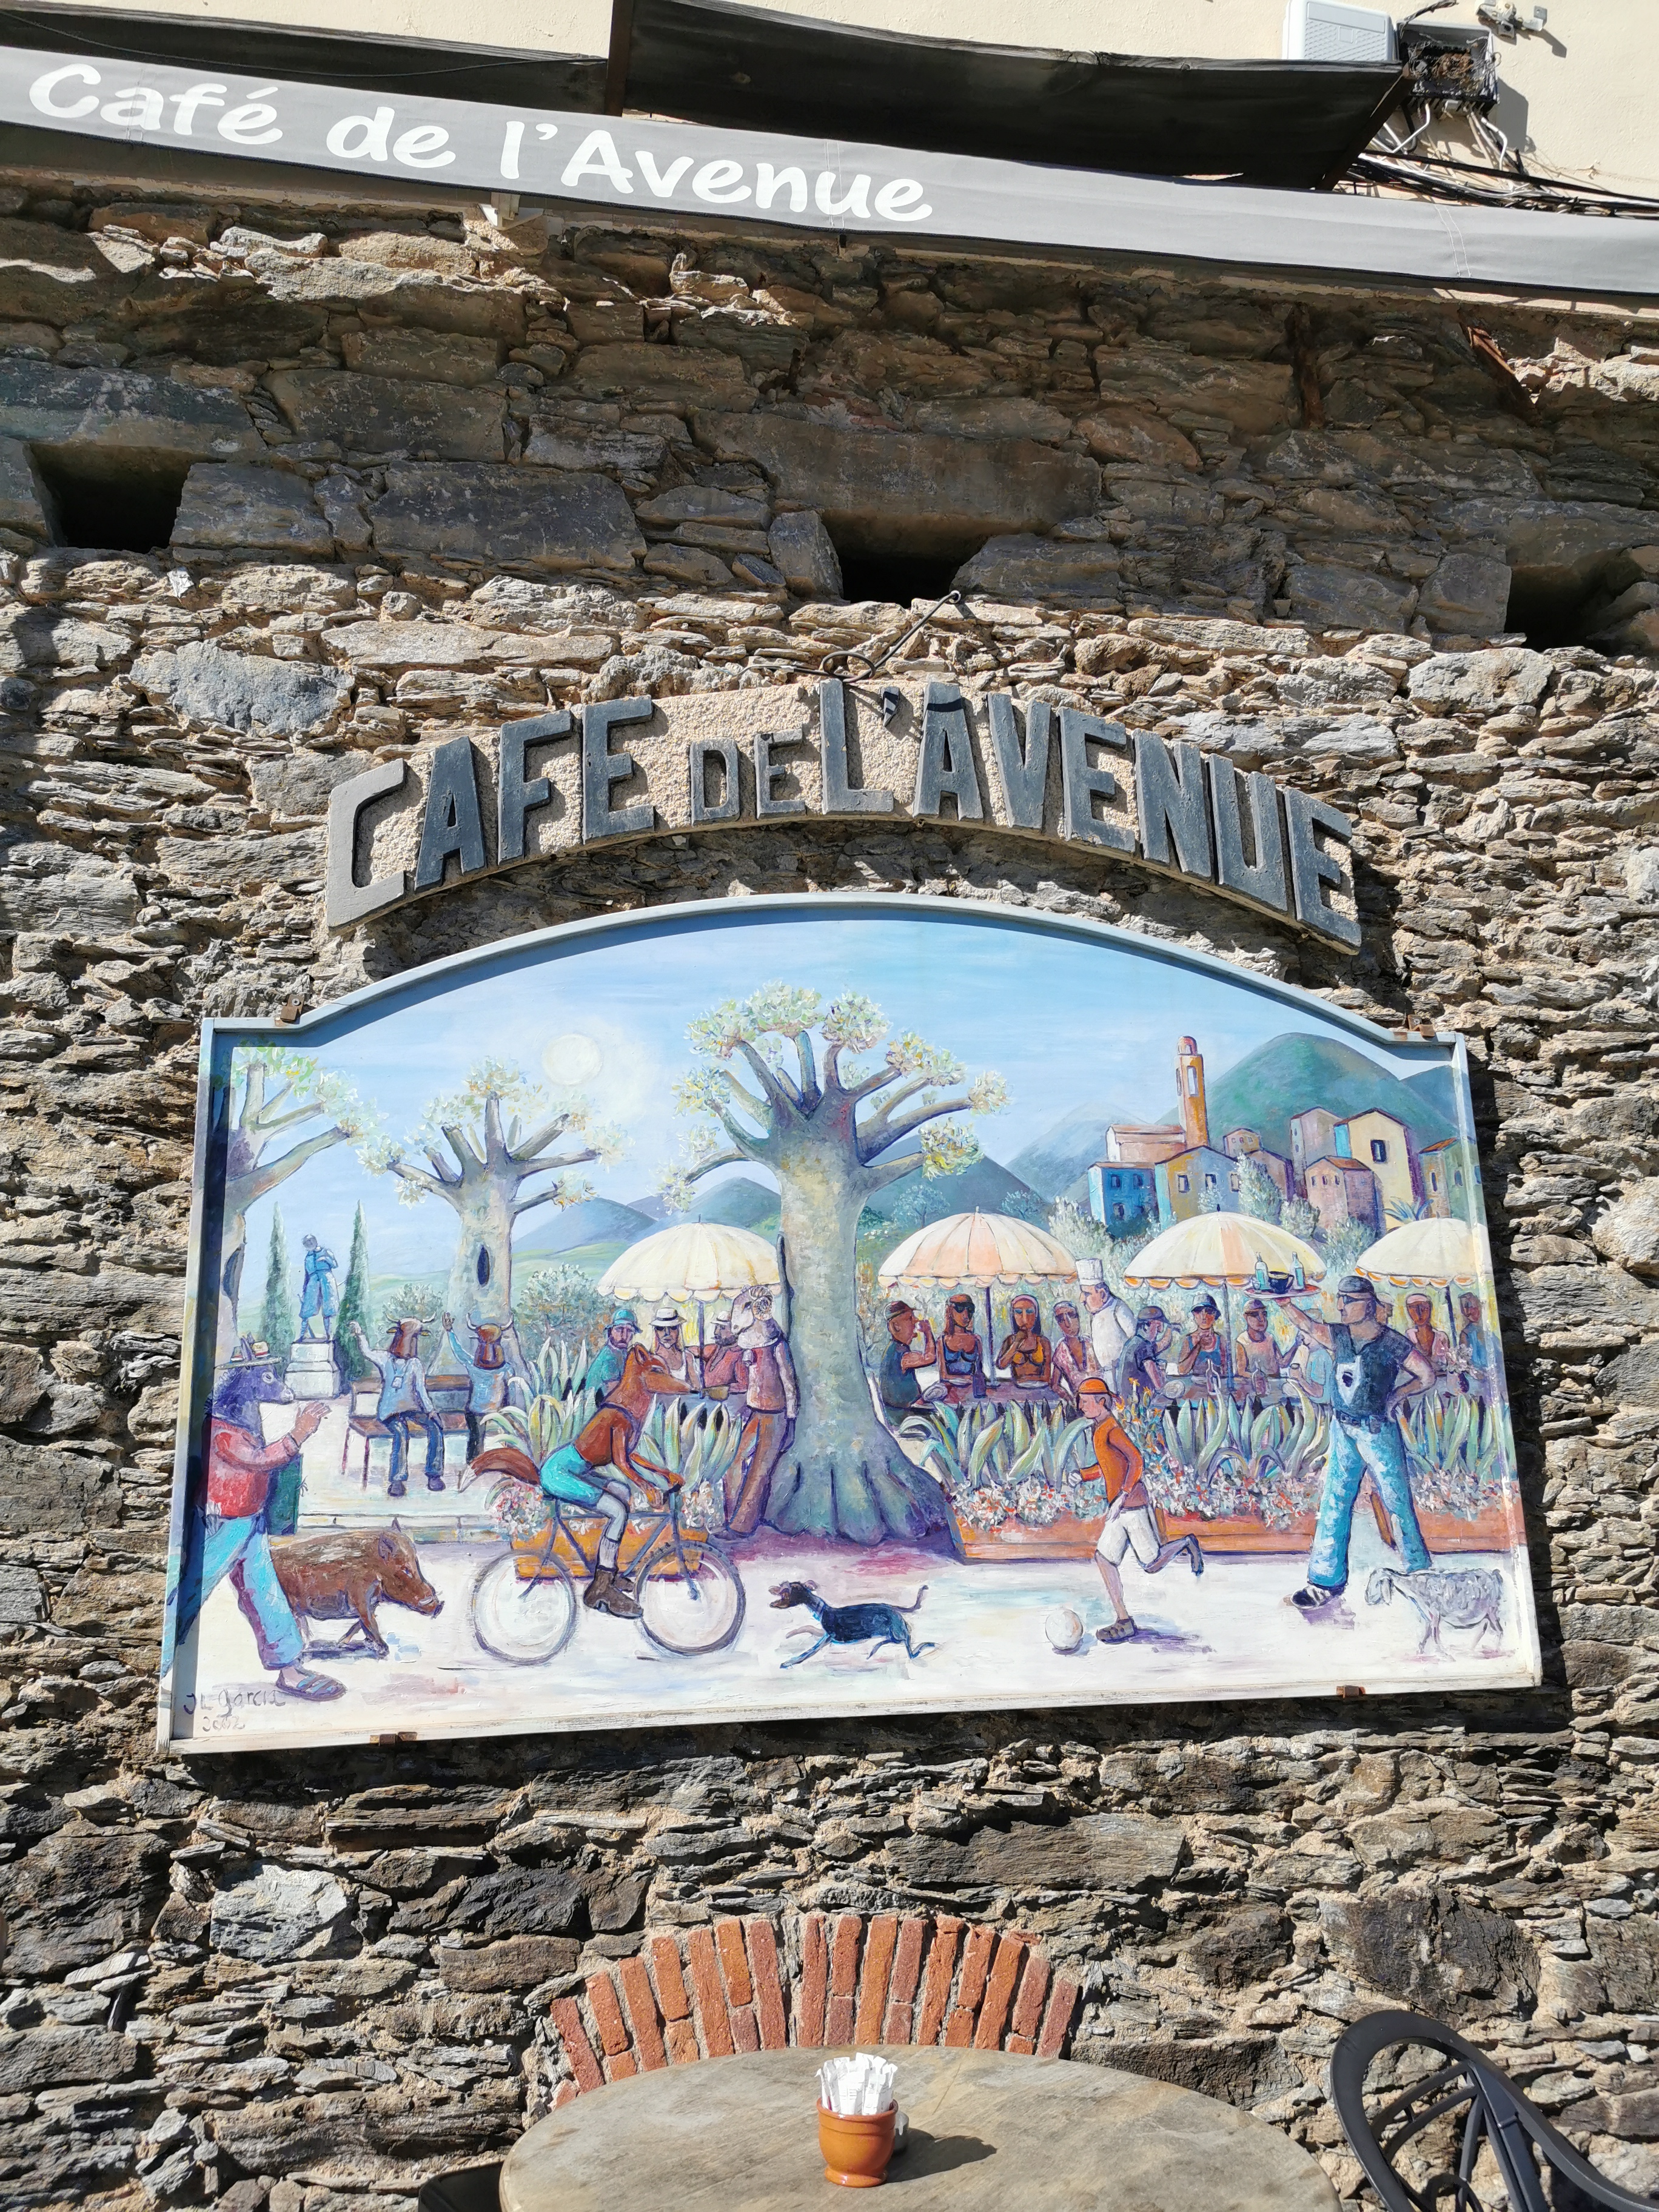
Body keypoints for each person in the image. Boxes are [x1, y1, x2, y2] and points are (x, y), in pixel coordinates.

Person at [172, 1338, 339, 1701]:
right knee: (185, 1593)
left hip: (249, 1519)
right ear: (245, 1382)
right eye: (266, 1378)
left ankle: (290, 1668)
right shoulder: (222, 1429)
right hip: (222, 1523)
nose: (277, 1385)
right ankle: (157, 1664)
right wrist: (299, 1433)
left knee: (264, 1593)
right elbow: (257, 1460)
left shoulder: (240, 1420)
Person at [475, 1341, 689, 1619]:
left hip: (575, 1469)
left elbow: (629, 1454)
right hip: (559, 1473)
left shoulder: (627, 1412)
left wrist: (663, 1474)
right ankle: (600, 1588)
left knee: (621, 1492)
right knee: (618, 1510)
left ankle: (608, 1569)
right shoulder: (617, 1414)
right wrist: (647, 1486)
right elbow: (621, 1462)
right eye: (657, 1375)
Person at [1283, 1275, 1437, 1614]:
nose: (1341, 1306)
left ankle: (1420, 1574)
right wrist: (1284, 1302)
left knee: (1396, 1500)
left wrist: (1397, 1395)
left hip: (1377, 1431)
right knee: (1335, 1501)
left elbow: (1427, 1376)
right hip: (1344, 1429)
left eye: (1348, 1300)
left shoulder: (1391, 1343)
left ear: (1369, 1304)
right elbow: (1307, 1326)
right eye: (1340, 1299)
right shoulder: (1339, 1337)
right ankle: (1324, 1581)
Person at [1076, 1376, 1202, 1645]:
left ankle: (1185, 1543)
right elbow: (1108, 1466)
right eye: (1081, 1401)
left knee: (1151, 1564)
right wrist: (1083, 1475)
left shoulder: (1112, 1429)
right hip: (1119, 1508)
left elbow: (1137, 1461)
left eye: (1086, 1402)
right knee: (1104, 1558)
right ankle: (1124, 1621)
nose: (1081, 1406)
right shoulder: (1098, 1430)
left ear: (1102, 1401)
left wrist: (1123, 1495)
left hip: (1133, 1505)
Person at [726, 1287, 799, 1536]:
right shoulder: (752, 1346)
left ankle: (742, 1526)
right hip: (756, 1412)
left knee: (759, 1470)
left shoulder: (777, 1345)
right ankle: (730, 1515)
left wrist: (791, 1417)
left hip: (775, 1413)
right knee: (735, 1459)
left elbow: (789, 1382)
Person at [350, 1318, 444, 1498]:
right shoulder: (386, 1359)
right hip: (390, 1412)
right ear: (398, 1337)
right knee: (401, 1432)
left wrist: (431, 1411)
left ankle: (434, 1475)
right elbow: (367, 1352)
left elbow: (421, 1391)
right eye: (407, 1337)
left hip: (413, 1409)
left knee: (435, 1427)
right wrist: (360, 1334)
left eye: (413, 1338)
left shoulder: (415, 1364)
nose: (409, 1343)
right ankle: (397, 1480)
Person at [441, 1310, 511, 1462]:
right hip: (493, 1411)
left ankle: (476, 1465)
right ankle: (480, 1464)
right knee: (484, 1442)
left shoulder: (473, 1366)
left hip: (481, 1410)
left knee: (477, 1442)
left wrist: (450, 1331)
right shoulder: (506, 1369)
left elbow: (459, 1352)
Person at [1078, 1258, 1136, 1388]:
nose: (1082, 1299)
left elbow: (1135, 1341)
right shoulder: (1094, 1315)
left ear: (1102, 1294)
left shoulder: (1119, 1309)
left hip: (1124, 1373)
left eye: (1086, 1294)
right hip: (1105, 1374)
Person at [879, 1300, 937, 1415]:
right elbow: (930, 1357)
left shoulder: (897, 1349)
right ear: (896, 1326)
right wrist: (928, 1332)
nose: (915, 1321)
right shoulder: (898, 1353)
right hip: (904, 1415)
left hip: (907, 1410)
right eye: (910, 1319)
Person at [1233, 1299, 1284, 1409]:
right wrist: (1256, 1378)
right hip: (1254, 1390)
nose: (1262, 1319)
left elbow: (1282, 1362)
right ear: (1246, 1317)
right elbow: (1241, 1371)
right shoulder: (1243, 1341)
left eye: (1264, 1314)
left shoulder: (1270, 1338)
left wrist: (1296, 1345)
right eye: (1255, 1315)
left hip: (1275, 1389)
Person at [996, 1294, 1051, 1391]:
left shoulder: (1043, 1342)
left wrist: (1025, 1379)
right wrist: (1017, 1342)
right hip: (1017, 1390)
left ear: (1036, 1315)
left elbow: (1047, 1377)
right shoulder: (1010, 1340)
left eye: (1030, 1312)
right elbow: (1001, 1365)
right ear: (1014, 1316)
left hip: (1039, 1390)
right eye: (1019, 1312)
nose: (1025, 1318)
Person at [1118, 1307, 1174, 1404]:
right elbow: (1159, 1385)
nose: (1160, 1332)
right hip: (1139, 1404)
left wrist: (1170, 1329)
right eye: (1158, 1327)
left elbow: (1162, 1345)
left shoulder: (1135, 1342)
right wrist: (1162, 1375)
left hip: (1127, 1401)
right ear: (1147, 1325)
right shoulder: (1143, 1347)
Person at [937, 1293, 986, 1402]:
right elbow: (943, 1376)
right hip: (950, 1394)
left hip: (972, 1393)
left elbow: (979, 1373)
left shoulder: (976, 1340)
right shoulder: (942, 1340)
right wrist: (967, 1378)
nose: (966, 1315)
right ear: (950, 1311)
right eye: (960, 1309)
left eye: (970, 1310)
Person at [1175, 1295, 1230, 1390]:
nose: (1204, 1316)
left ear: (1215, 1316)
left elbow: (1226, 1371)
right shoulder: (1189, 1339)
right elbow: (1182, 1371)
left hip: (1217, 1387)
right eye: (1199, 1312)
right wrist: (1198, 1346)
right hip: (1196, 1387)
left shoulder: (1220, 1339)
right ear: (1194, 1315)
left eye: (1209, 1312)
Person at [586, 1309, 638, 1404]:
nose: (624, 1336)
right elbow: (615, 1394)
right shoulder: (610, 1358)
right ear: (610, 1332)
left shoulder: (622, 1353)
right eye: (619, 1329)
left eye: (630, 1331)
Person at [1404, 1290, 1455, 1385]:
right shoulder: (1409, 1336)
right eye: (1413, 1309)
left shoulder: (1441, 1337)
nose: (1419, 1313)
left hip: (1443, 1384)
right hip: (1421, 1385)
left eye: (1423, 1308)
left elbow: (1450, 1366)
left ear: (1430, 1309)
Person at [1050, 1299, 1091, 1410]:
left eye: (1072, 1316)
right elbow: (1055, 1385)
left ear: (1078, 1318)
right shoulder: (1061, 1351)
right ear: (1059, 1324)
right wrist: (1070, 1399)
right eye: (1061, 1320)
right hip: (1082, 1407)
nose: (1068, 1324)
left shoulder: (1092, 1343)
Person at [1456, 1290, 1496, 1403]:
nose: (1469, 1312)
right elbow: (1464, 1362)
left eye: (1471, 1307)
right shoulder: (1466, 1334)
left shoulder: (1489, 1332)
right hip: (1477, 1381)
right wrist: (1476, 1373)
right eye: (1465, 1309)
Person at [297, 1234, 338, 1342]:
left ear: (315, 1241)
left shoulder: (326, 1252)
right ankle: (302, 1335)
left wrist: (325, 1259)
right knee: (307, 1309)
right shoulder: (308, 1258)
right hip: (313, 1283)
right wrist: (304, 1290)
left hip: (326, 1280)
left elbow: (335, 1265)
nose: (310, 1243)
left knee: (328, 1308)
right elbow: (307, 1275)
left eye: (311, 1241)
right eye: (307, 1243)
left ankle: (329, 1335)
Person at [650, 1301, 696, 1388]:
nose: (667, 1333)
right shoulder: (650, 1359)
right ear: (656, 1332)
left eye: (673, 1328)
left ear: (679, 1330)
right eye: (661, 1328)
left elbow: (697, 1387)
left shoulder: (687, 1357)